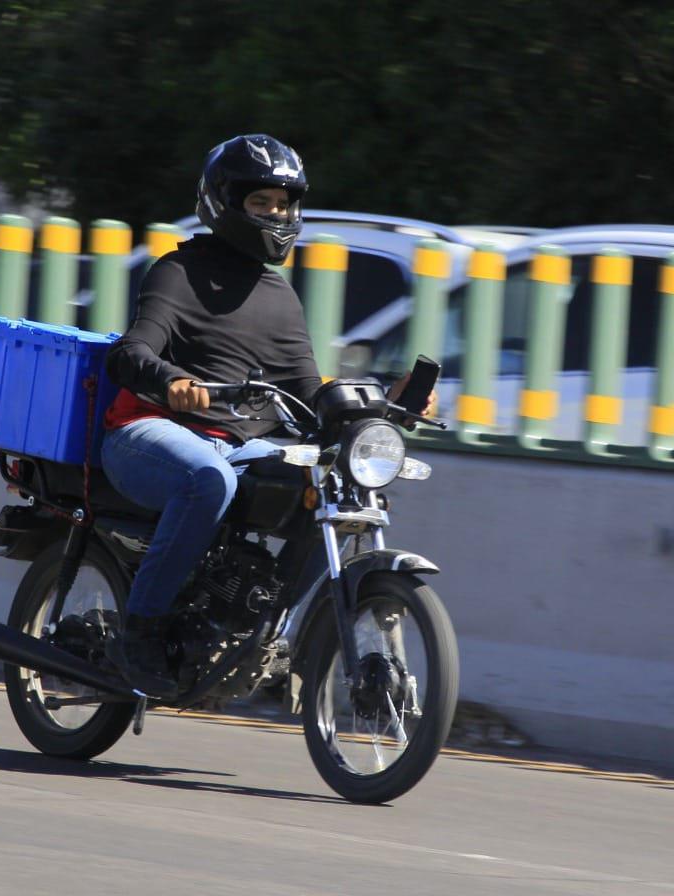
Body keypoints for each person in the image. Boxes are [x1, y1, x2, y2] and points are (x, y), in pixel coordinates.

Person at [101, 134, 433, 698]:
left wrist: (388, 400)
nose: (276, 215)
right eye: (261, 203)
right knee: (209, 479)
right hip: (151, 432)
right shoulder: (178, 271)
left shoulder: (279, 297)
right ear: (224, 202)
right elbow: (129, 354)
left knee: (330, 488)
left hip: (242, 444)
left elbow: (307, 390)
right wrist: (173, 382)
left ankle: (260, 631)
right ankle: (142, 629)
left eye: (284, 205)